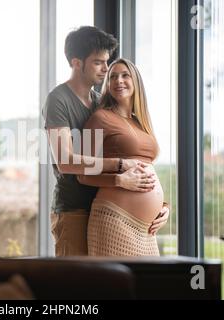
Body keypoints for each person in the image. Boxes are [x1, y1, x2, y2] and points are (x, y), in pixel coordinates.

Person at [42, 26, 157, 256]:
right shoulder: (58, 99)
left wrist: (159, 207)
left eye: (107, 61)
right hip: (74, 209)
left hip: (104, 207)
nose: (106, 69)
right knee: (77, 286)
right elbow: (66, 161)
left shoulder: (99, 101)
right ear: (76, 63)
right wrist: (121, 166)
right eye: (98, 62)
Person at [78, 58, 170, 256]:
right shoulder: (98, 118)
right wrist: (119, 181)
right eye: (113, 77)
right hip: (114, 221)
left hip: (146, 231)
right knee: (115, 287)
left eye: (125, 75)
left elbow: (147, 171)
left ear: (136, 81)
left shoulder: (141, 123)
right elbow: (81, 173)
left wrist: (163, 207)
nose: (118, 81)